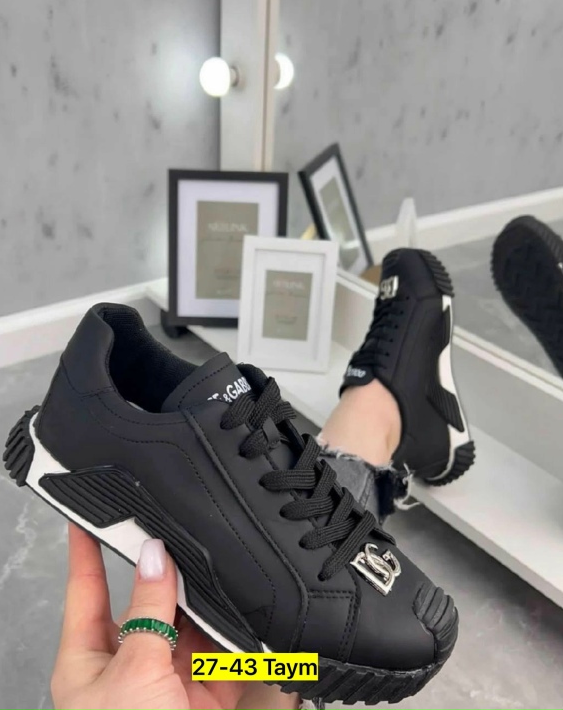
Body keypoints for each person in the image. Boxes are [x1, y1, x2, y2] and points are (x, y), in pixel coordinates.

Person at [49, 248, 472, 710]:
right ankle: (384, 408)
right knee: (298, 649)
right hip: (239, 676)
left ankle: (380, 406)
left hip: (209, 679)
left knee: (247, 659)